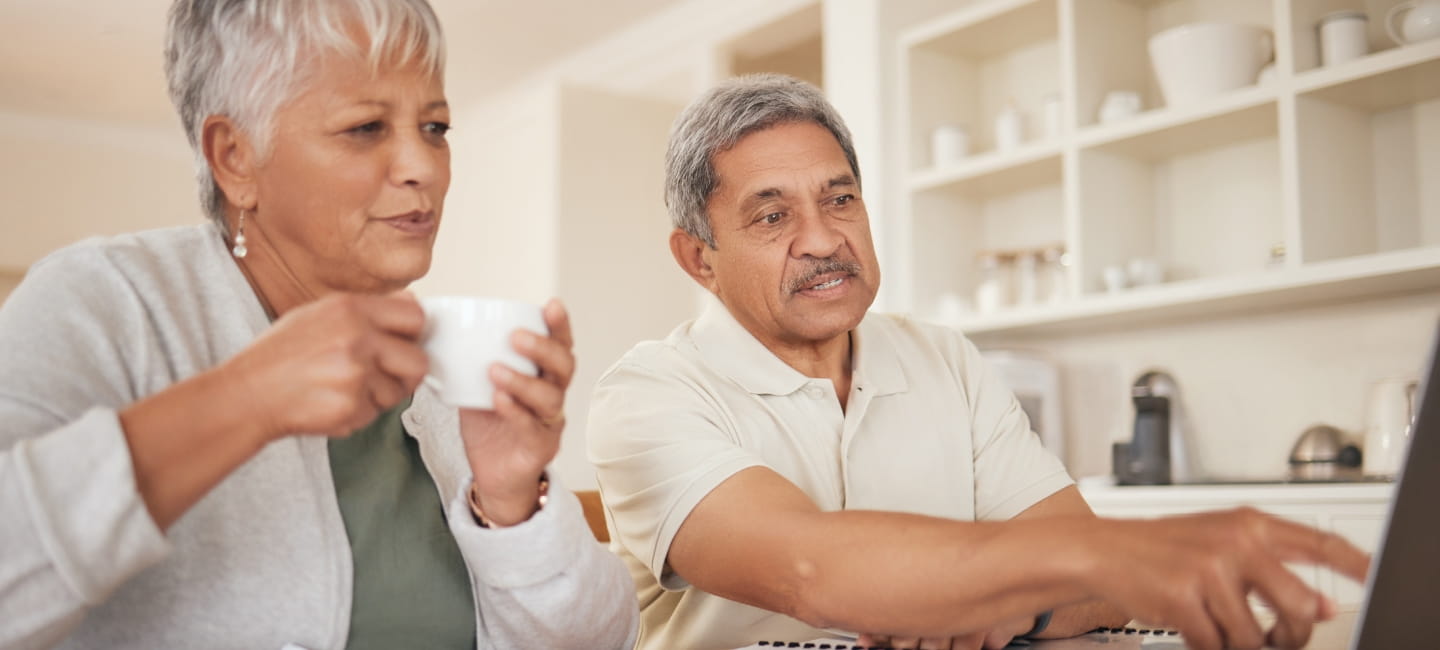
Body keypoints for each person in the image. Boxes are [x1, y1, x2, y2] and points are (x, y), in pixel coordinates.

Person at [586, 73, 1369, 650]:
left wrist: (1010, 607)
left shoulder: (942, 357)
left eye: (840, 198)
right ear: (699, 259)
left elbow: (1085, 579)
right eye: (772, 214)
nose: (823, 238)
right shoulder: (648, 395)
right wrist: (1124, 555)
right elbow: (810, 572)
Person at [0, 1, 637, 648]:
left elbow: (603, 641)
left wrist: (511, 504)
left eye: (436, 126)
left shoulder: (446, 372)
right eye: (365, 127)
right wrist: (246, 400)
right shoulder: (105, 299)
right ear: (235, 159)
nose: (424, 167)